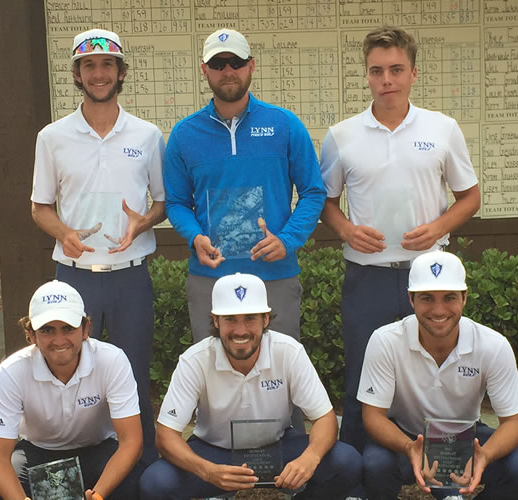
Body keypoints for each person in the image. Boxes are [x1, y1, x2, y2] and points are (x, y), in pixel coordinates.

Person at [319, 25, 481, 457]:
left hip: (430, 278)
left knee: (436, 374)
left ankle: (446, 463)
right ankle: (357, 470)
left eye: (395, 70)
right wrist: (347, 230)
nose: (386, 80)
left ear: (413, 73)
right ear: (367, 76)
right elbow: (326, 202)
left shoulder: (443, 128)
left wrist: (438, 227)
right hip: (366, 276)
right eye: (377, 71)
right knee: (362, 377)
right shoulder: (342, 136)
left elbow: (470, 197)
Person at [30, 28, 164, 465]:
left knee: (133, 377)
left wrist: (145, 221)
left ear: (121, 72)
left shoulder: (147, 135)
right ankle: (71, 464)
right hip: (73, 278)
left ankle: (141, 471)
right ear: (77, 73)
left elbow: (162, 202)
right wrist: (63, 233)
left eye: (108, 65)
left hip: (130, 276)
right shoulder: (53, 136)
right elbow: (40, 207)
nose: (99, 74)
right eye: (89, 65)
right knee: (67, 374)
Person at [163, 28, 326, 343]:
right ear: (204, 70)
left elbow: (313, 192)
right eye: (218, 63)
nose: (228, 71)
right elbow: (177, 203)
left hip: (274, 276)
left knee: (279, 371)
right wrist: (195, 236)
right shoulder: (184, 135)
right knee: (212, 374)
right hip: (210, 278)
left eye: (236, 62)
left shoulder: (286, 125)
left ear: (251, 66)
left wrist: (288, 240)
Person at [139, 273, 362, 499]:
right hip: (213, 451)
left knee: (347, 461)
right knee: (156, 482)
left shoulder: (288, 351)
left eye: (250, 318)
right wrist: (207, 471)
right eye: (230, 319)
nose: (240, 330)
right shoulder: (195, 360)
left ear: (266, 319)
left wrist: (310, 458)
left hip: (278, 446)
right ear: (215, 320)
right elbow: (166, 435)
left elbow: (325, 418)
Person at [358, 251, 518, 499]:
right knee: (375, 465)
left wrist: (483, 455)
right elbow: (373, 416)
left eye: (449, 297)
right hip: (407, 435)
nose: (438, 310)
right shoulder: (386, 341)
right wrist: (410, 448)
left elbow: (513, 422)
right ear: (411, 299)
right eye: (427, 298)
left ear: (464, 298)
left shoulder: (492, 345)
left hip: (466, 435)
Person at [0, 280, 144, 500]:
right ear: (31, 335)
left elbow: (131, 443)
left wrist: (99, 496)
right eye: (47, 330)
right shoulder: (11, 371)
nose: (59, 340)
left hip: (97, 450)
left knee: (138, 484)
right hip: (35, 452)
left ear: (86, 329)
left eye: (68, 328)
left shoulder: (112, 360)